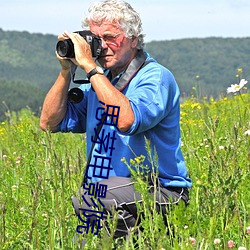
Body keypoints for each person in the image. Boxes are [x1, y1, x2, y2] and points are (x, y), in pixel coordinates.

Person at [40, 0, 192, 243]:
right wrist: (66, 70)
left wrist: (90, 68)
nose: (102, 47)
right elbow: (49, 122)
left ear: (133, 39)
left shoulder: (154, 77)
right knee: (85, 238)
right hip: (108, 196)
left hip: (160, 190)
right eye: (96, 39)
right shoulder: (99, 83)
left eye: (111, 37)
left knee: (92, 197)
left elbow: (127, 121)